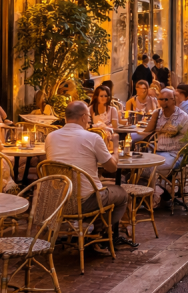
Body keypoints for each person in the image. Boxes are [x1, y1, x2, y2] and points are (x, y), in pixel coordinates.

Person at [45, 101, 132, 251]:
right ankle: (98, 234)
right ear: (84, 117)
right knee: (122, 194)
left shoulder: (50, 137)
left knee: (99, 186)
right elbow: (111, 168)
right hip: (85, 202)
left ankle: (87, 230)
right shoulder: (92, 138)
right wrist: (116, 148)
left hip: (57, 200)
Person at [131, 88, 188, 186]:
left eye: (166, 99)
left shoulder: (183, 117)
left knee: (150, 168)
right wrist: (130, 139)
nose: (163, 102)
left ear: (173, 100)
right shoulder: (158, 113)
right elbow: (147, 132)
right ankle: (146, 194)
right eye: (161, 99)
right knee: (136, 166)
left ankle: (158, 195)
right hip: (157, 152)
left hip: (174, 154)